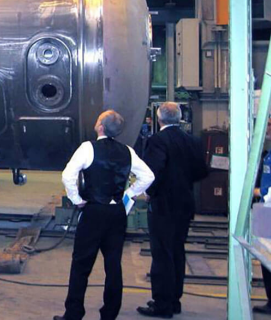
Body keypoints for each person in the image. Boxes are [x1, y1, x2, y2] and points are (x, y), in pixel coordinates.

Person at [54, 110, 155, 320]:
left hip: (94, 211)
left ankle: (73, 314)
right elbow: (148, 176)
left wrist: (76, 199)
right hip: (116, 213)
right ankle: (109, 314)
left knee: (81, 264)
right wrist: (129, 194)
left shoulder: (87, 148)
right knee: (113, 265)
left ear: (100, 127)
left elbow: (68, 175)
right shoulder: (127, 151)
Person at [137, 102, 208, 318]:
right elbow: (202, 171)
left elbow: (153, 171)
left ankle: (162, 304)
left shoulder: (157, 140)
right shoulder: (193, 141)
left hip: (163, 205)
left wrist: (149, 192)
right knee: (177, 251)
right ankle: (174, 300)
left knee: (162, 254)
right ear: (179, 118)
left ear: (159, 119)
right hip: (185, 204)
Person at [252, 117, 271, 315]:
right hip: (265, 210)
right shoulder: (268, 154)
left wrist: (261, 192)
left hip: (268, 205)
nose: (267, 128)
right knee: (266, 257)